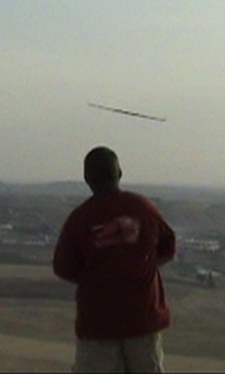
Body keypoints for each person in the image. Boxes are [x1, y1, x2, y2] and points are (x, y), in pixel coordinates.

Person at [52, 146, 176, 373]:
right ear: (119, 173)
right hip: (142, 320)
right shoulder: (143, 208)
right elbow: (168, 247)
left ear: (87, 178)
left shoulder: (79, 219)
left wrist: (95, 279)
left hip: (97, 324)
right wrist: (141, 267)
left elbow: (63, 267)